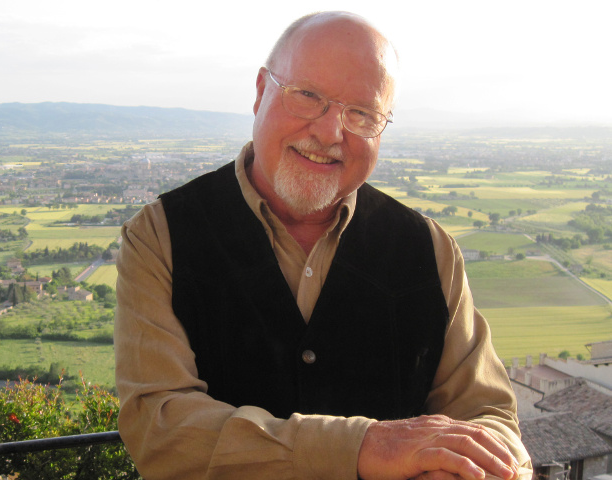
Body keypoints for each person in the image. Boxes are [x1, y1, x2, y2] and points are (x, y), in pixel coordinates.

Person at [114, 11, 532, 480]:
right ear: (259, 92)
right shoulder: (162, 236)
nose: (331, 131)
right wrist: (362, 448)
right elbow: (160, 427)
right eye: (308, 96)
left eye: (362, 113)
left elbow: (491, 419)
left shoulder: (431, 250)